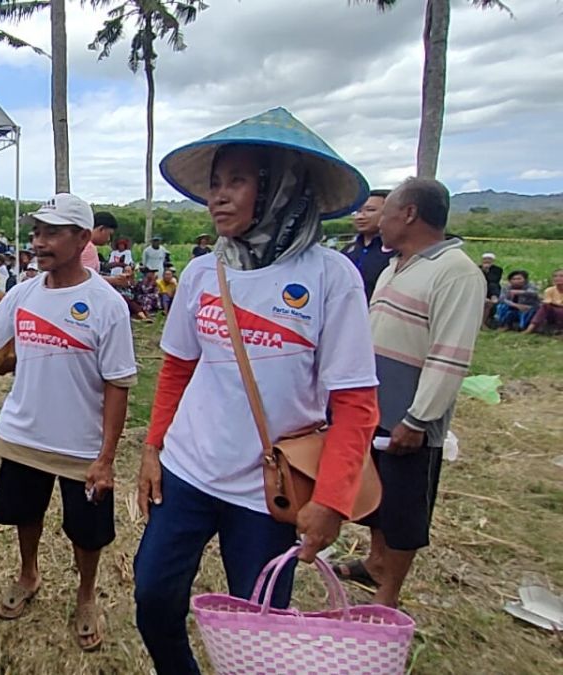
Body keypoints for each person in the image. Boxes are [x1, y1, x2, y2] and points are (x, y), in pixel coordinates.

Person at [135, 108, 380, 671]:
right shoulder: (201, 272)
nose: (218, 197)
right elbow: (177, 368)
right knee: (153, 600)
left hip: (269, 493)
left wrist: (332, 501)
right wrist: (153, 448)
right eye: (215, 184)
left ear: (279, 188)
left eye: (237, 182)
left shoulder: (330, 277)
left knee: (259, 631)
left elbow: (356, 405)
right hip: (188, 473)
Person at [0, 193, 136, 653]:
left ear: (80, 238)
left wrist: (107, 457)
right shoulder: (24, 293)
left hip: (81, 445)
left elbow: (118, 384)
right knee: (24, 514)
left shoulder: (106, 304)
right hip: (24, 434)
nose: (39, 241)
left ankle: (86, 595)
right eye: (36, 232)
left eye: (51, 232)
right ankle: (28, 574)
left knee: (87, 531)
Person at [333, 178, 485, 608]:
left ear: (410, 214)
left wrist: (419, 418)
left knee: (404, 505)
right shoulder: (397, 265)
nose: (378, 221)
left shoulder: (456, 272)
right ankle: (375, 561)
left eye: (385, 211)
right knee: (378, 497)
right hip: (377, 406)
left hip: (411, 415)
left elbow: (449, 355)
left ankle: (388, 593)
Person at [342, 189, 397, 300]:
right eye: (357, 211)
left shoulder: (397, 254)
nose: (360, 217)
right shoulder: (347, 251)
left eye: (370, 210)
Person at [525, 268, 563, 335]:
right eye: (555, 276)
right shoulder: (549, 290)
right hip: (554, 313)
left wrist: (554, 303)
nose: (558, 278)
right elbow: (547, 302)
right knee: (545, 307)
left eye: (561, 276)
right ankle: (530, 328)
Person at [478, 252, 503, 327]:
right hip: (480, 287)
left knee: (492, 285)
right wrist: (483, 271)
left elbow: (494, 280)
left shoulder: (498, 269)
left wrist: (487, 271)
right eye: (485, 259)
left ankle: (494, 296)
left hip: (491, 289)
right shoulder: (477, 268)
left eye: (489, 259)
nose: (487, 261)